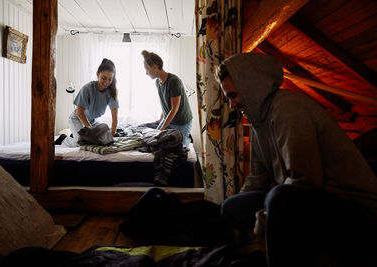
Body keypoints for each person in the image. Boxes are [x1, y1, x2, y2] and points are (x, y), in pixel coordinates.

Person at [216, 53, 377, 267]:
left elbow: (307, 181)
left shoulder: (288, 107)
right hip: (310, 199)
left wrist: (265, 217)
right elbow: (256, 178)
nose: (232, 104)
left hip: (356, 208)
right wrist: (238, 218)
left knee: (279, 198)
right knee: (232, 206)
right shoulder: (257, 122)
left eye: (233, 95)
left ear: (251, 86)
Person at [59, 58, 119, 147]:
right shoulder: (87, 88)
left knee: (100, 140)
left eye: (110, 79)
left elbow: (114, 117)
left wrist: (112, 133)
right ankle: (63, 139)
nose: (106, 82)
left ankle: (76, 135)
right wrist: (91, 131)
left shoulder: (112, 92)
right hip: (77, 118)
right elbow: (80, 113)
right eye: (104, 78)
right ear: (97, 74)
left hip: (93, 121)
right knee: (80, 143)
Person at [141, 50, 193, 148]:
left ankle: (187, 139)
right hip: (169, 119)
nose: (146, 73)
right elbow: (165, 103)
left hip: (181, 122)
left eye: (147, 70)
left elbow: (174, 108)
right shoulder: (158, 83)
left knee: (179, 148)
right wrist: (161, 119)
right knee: (154, 141)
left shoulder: (174, 81)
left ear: (155, 67)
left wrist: (162, 128)